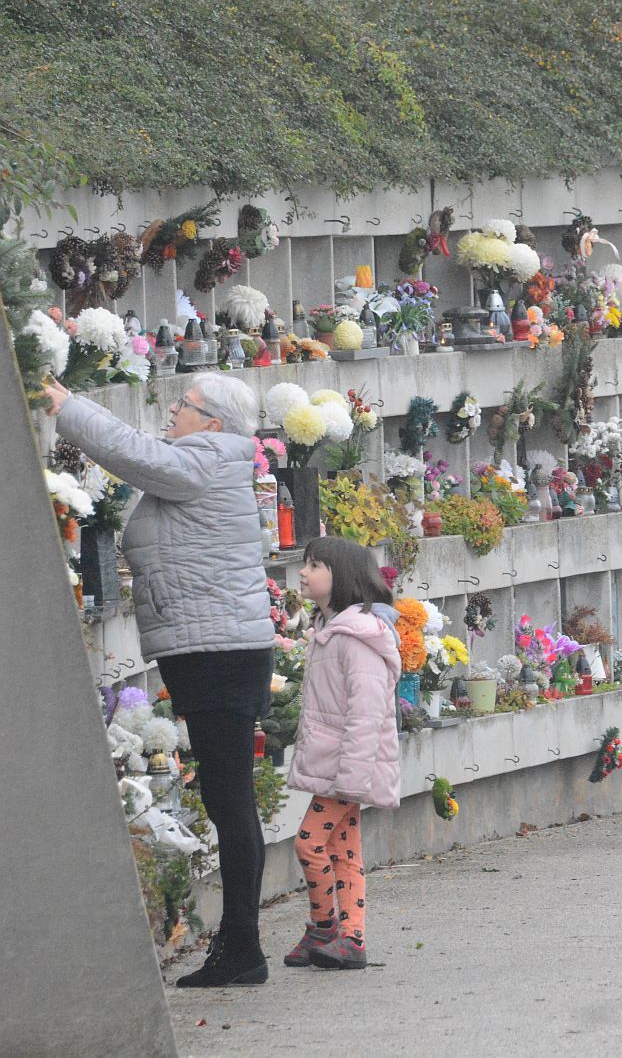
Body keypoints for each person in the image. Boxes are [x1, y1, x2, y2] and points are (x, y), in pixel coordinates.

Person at [44, 373, 276, 987]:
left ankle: (243, 949)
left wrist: (66, 405)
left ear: (213, 422)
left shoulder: (206, 461)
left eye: (184, 406)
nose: (172, 412)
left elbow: (132, 453)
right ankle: (237, 939)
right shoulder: (209, 458)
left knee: (230, 801)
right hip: (215, 648)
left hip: (219, 653)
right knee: (230, 799)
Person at [283, 536, 402, 971]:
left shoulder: (357, 639)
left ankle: (324, 928)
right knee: (341, 851)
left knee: (308, 843)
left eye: (315, 565)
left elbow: (367, 716)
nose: (303, 572)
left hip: (346, 769)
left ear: (343, 577)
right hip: (338, 766)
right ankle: (350, 938)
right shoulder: (330, 631)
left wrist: (351, 781)